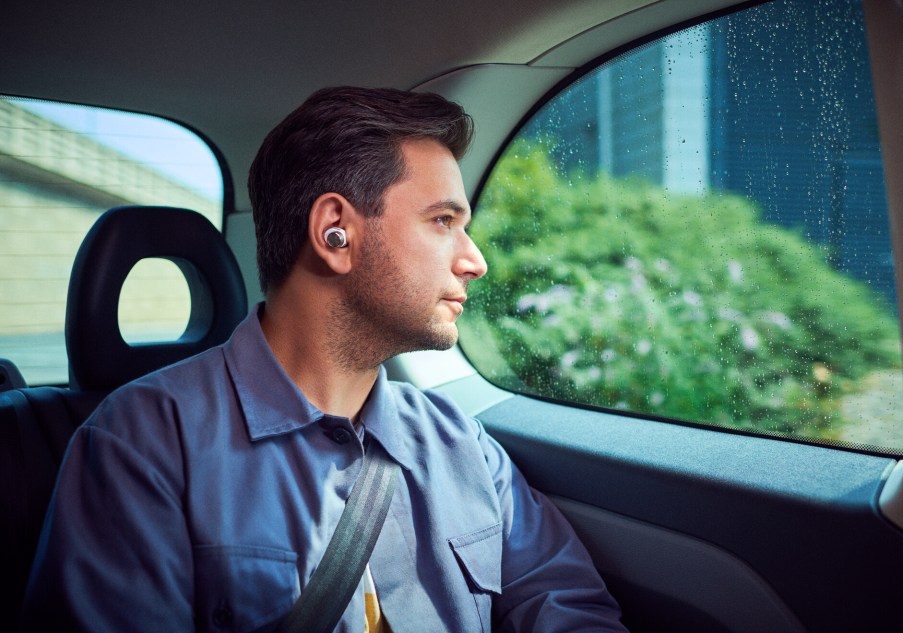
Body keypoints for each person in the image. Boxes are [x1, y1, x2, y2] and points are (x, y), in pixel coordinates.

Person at [21, 87, 627, 632]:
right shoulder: (142, 447)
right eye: (443, 221)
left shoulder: (465, 447)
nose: (475, 260)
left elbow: (568, 606)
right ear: (335, 231)